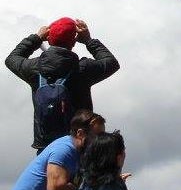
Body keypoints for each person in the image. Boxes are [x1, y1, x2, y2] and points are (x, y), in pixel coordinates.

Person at [7, 17, 120, 152]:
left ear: (49, 38)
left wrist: (36, 38)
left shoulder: (34, 68)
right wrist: (88, 40)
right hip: (78, 144)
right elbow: (111, 63)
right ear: (73, 41)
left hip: (47, 147)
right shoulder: (82, 69)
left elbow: (12, 59)